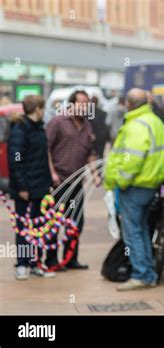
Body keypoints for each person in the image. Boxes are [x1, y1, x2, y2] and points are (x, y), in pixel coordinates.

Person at [104, 88, 164, 291]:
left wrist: (120, 181)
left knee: (132, 232)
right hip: (150, 184)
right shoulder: (154, 121)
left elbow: (132, 159)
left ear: (128, 104)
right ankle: (147, 273)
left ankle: (141, 275)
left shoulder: (136, 124)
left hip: (135, 186)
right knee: (141, 230)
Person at [46, 90, 101, 270]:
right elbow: (45, 149)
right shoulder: (58, 122)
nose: (84, 107)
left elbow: (90, 154)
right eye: (81, 103)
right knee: (54, 223)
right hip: (58, 182)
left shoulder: (86, 126)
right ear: (71, 104)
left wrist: (94, 174)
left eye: (86, 104)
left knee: (76, 222)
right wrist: (52, 173)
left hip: (77, 183)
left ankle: (71, 258)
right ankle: (52, 260)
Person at [7, 95, 55, 280]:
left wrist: (48, 182)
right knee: (24, 228)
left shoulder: (39, 128)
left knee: (39, 227)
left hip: (41, 187)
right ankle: (22, 263)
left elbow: (42, 158)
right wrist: (22, 187)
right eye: (42, 108)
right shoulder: (21, 130)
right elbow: (15, 159)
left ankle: (35, 262)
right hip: (26, 190)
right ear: (37, 109)